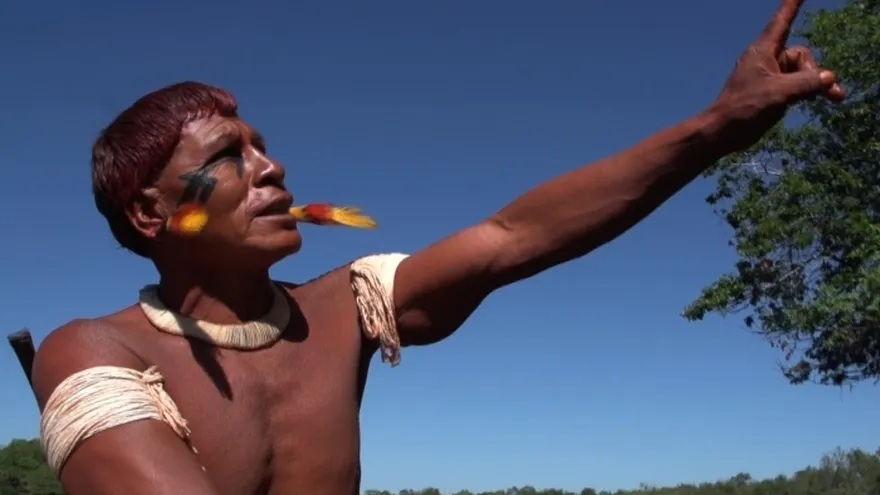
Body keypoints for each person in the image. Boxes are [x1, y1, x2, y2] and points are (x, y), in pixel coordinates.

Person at [30, 1, 846, 494]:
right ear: (149, 213)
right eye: (226, 159)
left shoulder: (344, 306)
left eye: (263, 145)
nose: (272, 166)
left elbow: (512, 234)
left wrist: (716, 128)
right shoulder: (92, 354)